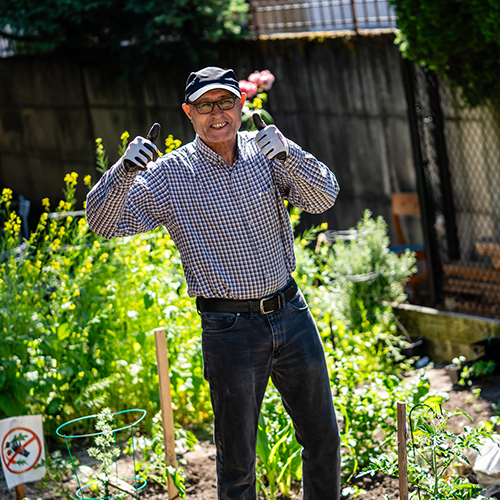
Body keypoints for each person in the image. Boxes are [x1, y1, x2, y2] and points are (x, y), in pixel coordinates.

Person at [86, 66, 341, 500]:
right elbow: (102, 223)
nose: (217, 113)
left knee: (323, 440)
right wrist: (123, 171)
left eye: (225, 101)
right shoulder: (168, 175)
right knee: (237, 462)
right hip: (231, 330)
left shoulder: (268, 151)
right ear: (190, 113)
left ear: (240, 104)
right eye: (205, 105)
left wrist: (290, 154)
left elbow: (324, 197)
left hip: (291, 313)